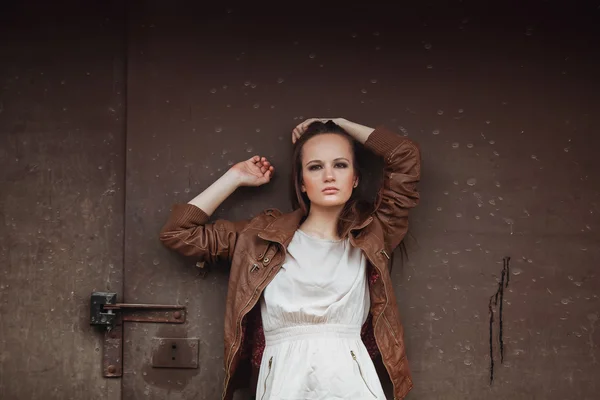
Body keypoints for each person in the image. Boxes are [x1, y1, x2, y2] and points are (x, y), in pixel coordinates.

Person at [159, 118, 421, 400]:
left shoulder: (373, 235)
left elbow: (404, 156)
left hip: (351, 382)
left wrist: (338, 123)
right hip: (284, 379)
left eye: (340, 165)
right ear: (302, 183)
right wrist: (234, 177)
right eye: (315, 167)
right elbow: (178, 233)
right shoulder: (259, 238)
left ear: (355, 178)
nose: (329, 176)